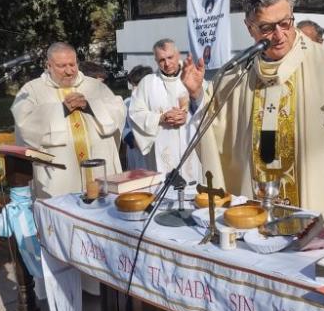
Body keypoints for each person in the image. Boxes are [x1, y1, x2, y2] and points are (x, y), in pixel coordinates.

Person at [181, 0, 324, 213]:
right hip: (255, 205)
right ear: (250, 28)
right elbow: (216, 130)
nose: (279, 35)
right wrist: (197, 93)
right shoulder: (239, 73)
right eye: (267, 28)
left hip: (312, 205)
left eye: (285, 23)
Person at [11, 42, 126, 200]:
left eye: (72, 64)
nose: (69, 71)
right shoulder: (31, 90)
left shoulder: (94, 86)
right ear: (48, 65)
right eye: (62, 66)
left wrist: (89, 106)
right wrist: (61, 109)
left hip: (98, 164)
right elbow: (24, 124)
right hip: (59, 176)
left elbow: (117, 111)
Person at [128, 40, 201, 184]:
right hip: (161, 146)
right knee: (165, 189)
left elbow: (205, 105)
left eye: (170, 57)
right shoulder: (147, 83)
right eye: (161, 60)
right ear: (155, 60)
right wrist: (160, 118)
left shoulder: (192, 76)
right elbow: (135, 113)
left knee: (191, 188)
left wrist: (187, 115)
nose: (167, 64)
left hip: (189, 141)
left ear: (178, 54)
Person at [122, 65, 153, 170]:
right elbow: (123, 127)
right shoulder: (127, 103)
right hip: (134, 151)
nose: (134, 89)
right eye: (132, 85)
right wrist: (131, 139)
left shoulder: (156, 103)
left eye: (137, 85)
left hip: (152, 152)